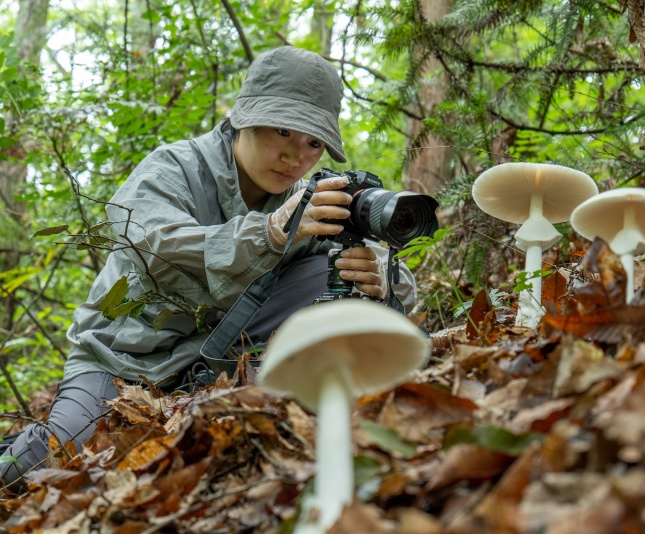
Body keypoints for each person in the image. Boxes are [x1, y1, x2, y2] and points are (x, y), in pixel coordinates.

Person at [0, 46, 416, 493]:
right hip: (121, 361)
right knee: (49, 464)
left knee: (332, 273)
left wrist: (380, 273)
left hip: (218, 360)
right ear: (245, 118)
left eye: (314, 142)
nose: (296, 156)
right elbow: (158, 244)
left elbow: (391, 281)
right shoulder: (173, 167)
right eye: (282, 131)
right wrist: (272, 232)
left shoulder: (309, 200)